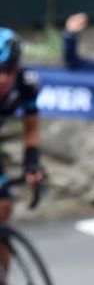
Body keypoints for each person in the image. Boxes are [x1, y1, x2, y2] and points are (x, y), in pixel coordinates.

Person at [0, 28, 46, 221]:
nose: (2, 78)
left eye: (8, 69)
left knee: (3, 204)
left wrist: (32, 162)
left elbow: (31, 127)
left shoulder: (27, 83)